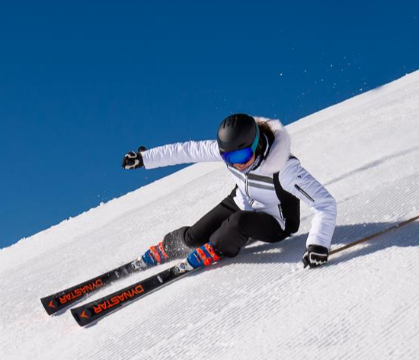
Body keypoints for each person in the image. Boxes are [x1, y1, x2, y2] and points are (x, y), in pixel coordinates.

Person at [122, 113, 337, 270]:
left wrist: (318, 244)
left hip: (275, 222)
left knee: (237, 224)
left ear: (256, 146)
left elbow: (324, 204)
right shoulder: (232, 152)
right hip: (241, 201)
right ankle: (169, 246)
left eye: (242, 157)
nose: (237, 165)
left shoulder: (285, 168)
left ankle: (216, 248)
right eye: (228, 159)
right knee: (193, 237)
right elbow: (187, 150)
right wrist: (145, 158)